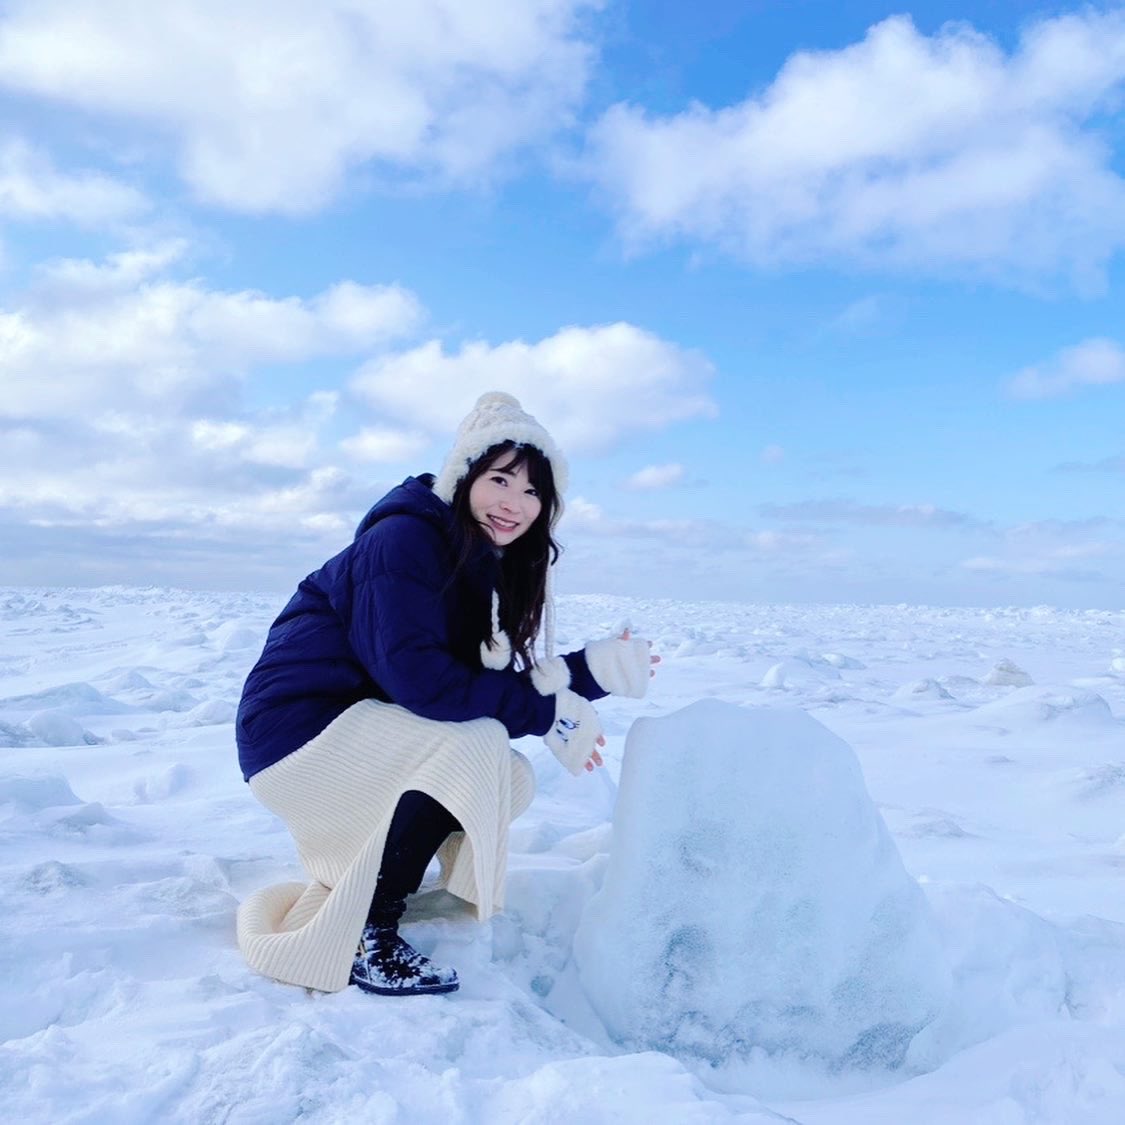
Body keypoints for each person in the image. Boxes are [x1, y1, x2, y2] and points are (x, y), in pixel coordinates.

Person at [235, 392, 657, 997]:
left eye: (535, 491)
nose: (516, 503)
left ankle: (380, 886)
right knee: (477, 748)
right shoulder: (404, 540)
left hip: (354, 725)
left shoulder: (474, 560)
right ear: (464, 475)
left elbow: (470, 683)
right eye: (501, 479)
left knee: (506, 777)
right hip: (295, 731)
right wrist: (548, 714)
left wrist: (590, 672)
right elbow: (424, 684)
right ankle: (365, 929)